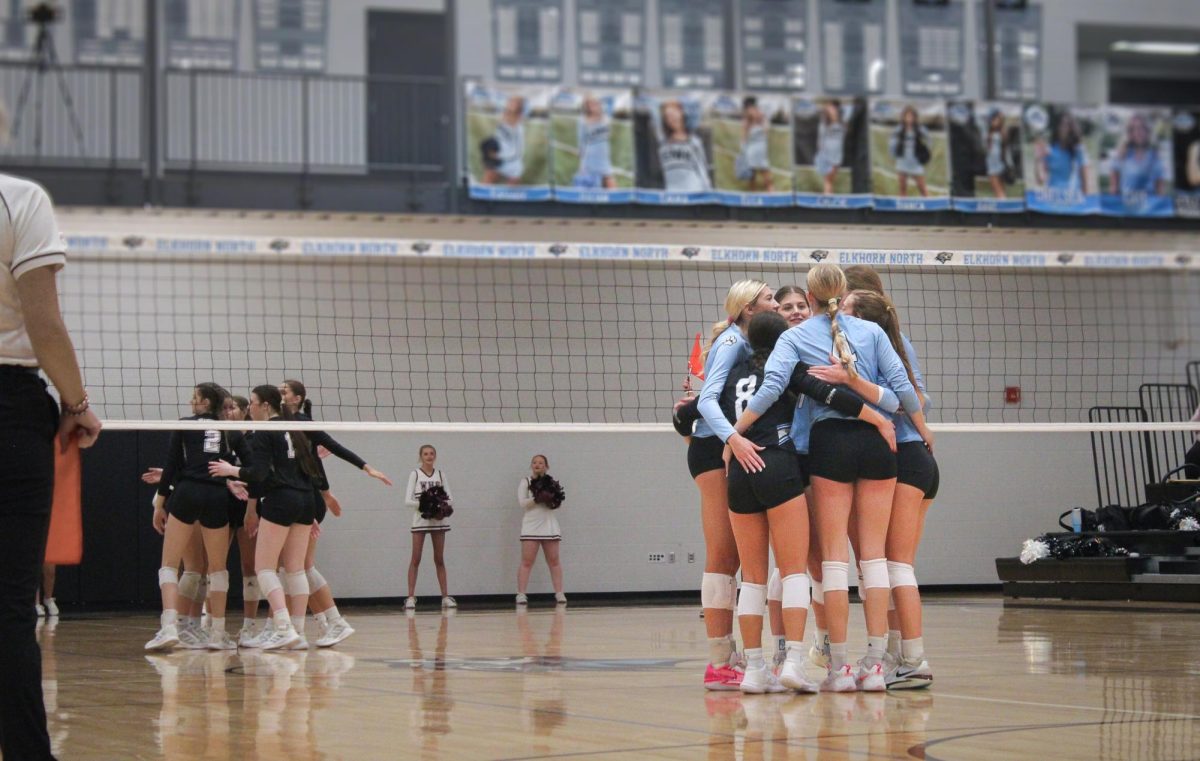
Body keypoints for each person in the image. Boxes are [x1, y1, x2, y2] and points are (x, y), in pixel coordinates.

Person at [730, 264, 930, 693]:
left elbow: (770, 389)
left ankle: (839, 667)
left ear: (812, 297)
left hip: (829, 445)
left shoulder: (796, 336)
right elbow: (904, 394)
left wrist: (737, 431)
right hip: (880, 444)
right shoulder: (873, 333)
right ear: (843, 292)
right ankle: (876, 663)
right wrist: (921, 426)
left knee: (833, 561)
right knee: (874, 559)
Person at [0, 171, 102, 760]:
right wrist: (79, 405)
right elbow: (43, 323)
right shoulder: (19, 199)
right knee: (12, 607)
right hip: (9, 414)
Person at [829, 289, 937, 689]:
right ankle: (897, 654)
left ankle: (912, 658)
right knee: (893, 565)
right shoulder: (890, 344)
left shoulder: (873, 347)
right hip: (917, 459)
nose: (838, 311)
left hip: (905, 456)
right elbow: (919, 396)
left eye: (845, 306)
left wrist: (855, 382)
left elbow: (907, 399)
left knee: (892, 566)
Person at [688, 280, 777, 690]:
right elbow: (705, 401)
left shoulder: (750, 343)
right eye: (768, 299)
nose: (775, 304)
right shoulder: (730, 341)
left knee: (733, 558)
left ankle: (727, 656)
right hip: (713, 448)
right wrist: (733, 438)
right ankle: (719, 661)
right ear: (746, 309)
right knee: (723, 556)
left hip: (719, 445)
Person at [278, 379, 391, 648]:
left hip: (309, 499)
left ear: (297, 398)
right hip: (308, 496)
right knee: (298, 568)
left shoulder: (303, 423)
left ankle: (330, 623)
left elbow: (336, 448)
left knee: (299, 567)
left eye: (284, 392)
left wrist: (367, 468)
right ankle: (328, 623)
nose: (280, 396)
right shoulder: (283, 426)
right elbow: (313, 462)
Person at [209, 386, 320, 650]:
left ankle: (282, 626)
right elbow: (309, 468)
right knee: (295, 569)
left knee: (264, 568)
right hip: (305, 499)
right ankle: (298, 631)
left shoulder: (264, 432)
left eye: (254, 403)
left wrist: (231, 469)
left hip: (281, 500)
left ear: (266, 406)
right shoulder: (294, 428)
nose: (251, 408)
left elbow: (257, 474)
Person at [145, 383, 238, 652]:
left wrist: (159, 505)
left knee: (169, 566)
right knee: (218, 569)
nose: (191, 402)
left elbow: (172, 466)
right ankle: (218, 634)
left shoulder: (185, 424)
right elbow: (250, 465)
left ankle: (170, 627)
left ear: (206, 402)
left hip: (187, 493)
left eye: (195, 398)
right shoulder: (228, 428)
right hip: (216, 496)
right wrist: (235, 475)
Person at [404, 444, 455, 610]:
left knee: (439, 559)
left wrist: (439, 507)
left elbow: (450, 499)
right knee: (415, 558)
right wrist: (426, 505)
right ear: (421, 456)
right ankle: (411, 597)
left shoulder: (441, 474)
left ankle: (445, 597)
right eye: (425, 454)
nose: (429, 456)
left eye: (431, 453)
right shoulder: (415, 474)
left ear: (435, 456)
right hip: (420, 521)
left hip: (438, 522)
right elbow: (407, 501)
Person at [516, 455, 566, 605]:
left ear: (546, 466)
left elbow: (557, 503)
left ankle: (559, 593)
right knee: (527, 561)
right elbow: (522, 503)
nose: (537, 465)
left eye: (541, 463)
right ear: (531, 465)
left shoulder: (551, 483)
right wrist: (537, 498)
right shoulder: (525, 482)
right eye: (535, 462)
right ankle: (521, 594)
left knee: (554, 561)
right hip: (531, 526)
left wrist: (551, 499)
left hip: (549, 526)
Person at [658, 100, 712, 193]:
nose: (672, 119)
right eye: (668, 117)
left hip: (694, 192)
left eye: (674, 114)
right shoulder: (663, 143)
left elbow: (702, 169)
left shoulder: (694, 142)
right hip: (672, 195)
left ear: (681, 113)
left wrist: (708, 192)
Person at [1109, 113, 1166, 198]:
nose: (1137, 132)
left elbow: (1160, 190)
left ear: (1147, 130)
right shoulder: (1120, 155)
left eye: (1141, 128)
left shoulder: (1155, 156)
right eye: (1132, 129)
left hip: (1150, 208)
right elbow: (1114, 189)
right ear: (1128, 132)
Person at [1035, 110, 1090, 194]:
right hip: (1052, 197)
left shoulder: (1079, 150)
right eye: (1061, 125)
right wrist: (1038, 159)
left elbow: (1085, 184)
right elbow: (1041, 180)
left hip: (1073, 199)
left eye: (1067, 125)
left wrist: (1085, 201)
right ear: (1057, 128)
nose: (1064, 128)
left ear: (1072, 128)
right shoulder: (1049, 150)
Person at [574, 95, 616, 190]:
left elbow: (611, 99)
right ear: (587, 107)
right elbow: (581, 143)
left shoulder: (606, 117)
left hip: (604, 158)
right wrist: (581, 165)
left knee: (612, 187)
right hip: (590, 159)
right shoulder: (582, 121)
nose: (594, 106)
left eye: (596, 103)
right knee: (592, 189)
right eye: (591, 104)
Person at [483, 95, 526, 185]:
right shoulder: (502, 122)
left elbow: (516, 153)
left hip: (513, 164)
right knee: (487, 183)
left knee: (514, 194)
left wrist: (497, 155)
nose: (506, 112)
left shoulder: (518, 130)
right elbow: (498, 139)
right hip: (499, 162)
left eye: (513, 103)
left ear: (518, 114)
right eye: (509, 103)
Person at [889, 105, 930, 197]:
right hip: (902, 161)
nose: (909, 118)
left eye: (911, 116)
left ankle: (929, 207)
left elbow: (928, 139)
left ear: (915, 117)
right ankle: (903, 207)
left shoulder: (919, 129)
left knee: (922, 187)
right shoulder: (899, 129)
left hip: (915, 162)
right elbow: (892, 142)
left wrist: (925, 151)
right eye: (907, 116)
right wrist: (893, 153)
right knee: (902, 188)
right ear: (903, 117)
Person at [737, 96, 774, 192]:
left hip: (761, 149)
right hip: (751, 149)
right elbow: (744, 137)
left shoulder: (762, 117)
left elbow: (766, 130)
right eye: (748, 108)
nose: (750, 110)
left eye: (752, 107)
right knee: (752, 176)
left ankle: (771, 192)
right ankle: (753, 195)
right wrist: (743, 150)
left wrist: (759, 120)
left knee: (766, 174)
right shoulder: (746, 121)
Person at [815, 100, 846, 195]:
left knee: (830, 182)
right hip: (827, 156)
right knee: (827, 181)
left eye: (833, 108)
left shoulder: (842, 123)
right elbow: (819, 143)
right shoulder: (823, 124)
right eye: (829, 108)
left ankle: (829, 198)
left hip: (838, 156)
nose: (832, 110)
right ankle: (827, 200)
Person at [984, 109, 1009, 199]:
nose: (996, 122)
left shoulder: (1002, 132)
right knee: (997, 189)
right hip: (992, 162)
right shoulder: (988, 132)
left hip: (999, 162)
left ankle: (1003, 204)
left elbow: (1005, 147)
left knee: (1000, 190)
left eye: (998, 119)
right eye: (994, 119)